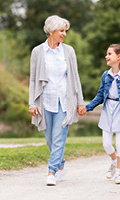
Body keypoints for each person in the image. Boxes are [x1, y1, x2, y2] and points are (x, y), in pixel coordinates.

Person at [28, 15, 85, 186]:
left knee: (59, 137)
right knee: (50, 139)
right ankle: (61, 165)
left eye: (65, 31)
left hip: (64, 102)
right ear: (51, 31)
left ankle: (51, 171)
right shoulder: (38, 51)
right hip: (45, 102)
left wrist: (80, 102)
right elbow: (32, 79)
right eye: (61, 30)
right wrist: (32, 103)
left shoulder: (69, 51)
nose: (64, 34)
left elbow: (75, 77)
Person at [78, 44, 120, 184]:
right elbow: (99, 96)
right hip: (107, 110)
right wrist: (88, 107)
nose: (106, 56)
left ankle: (119, 174)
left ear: (119, 57)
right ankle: (114, 162)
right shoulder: (106, 75)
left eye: (109, 54)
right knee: (106, 144)